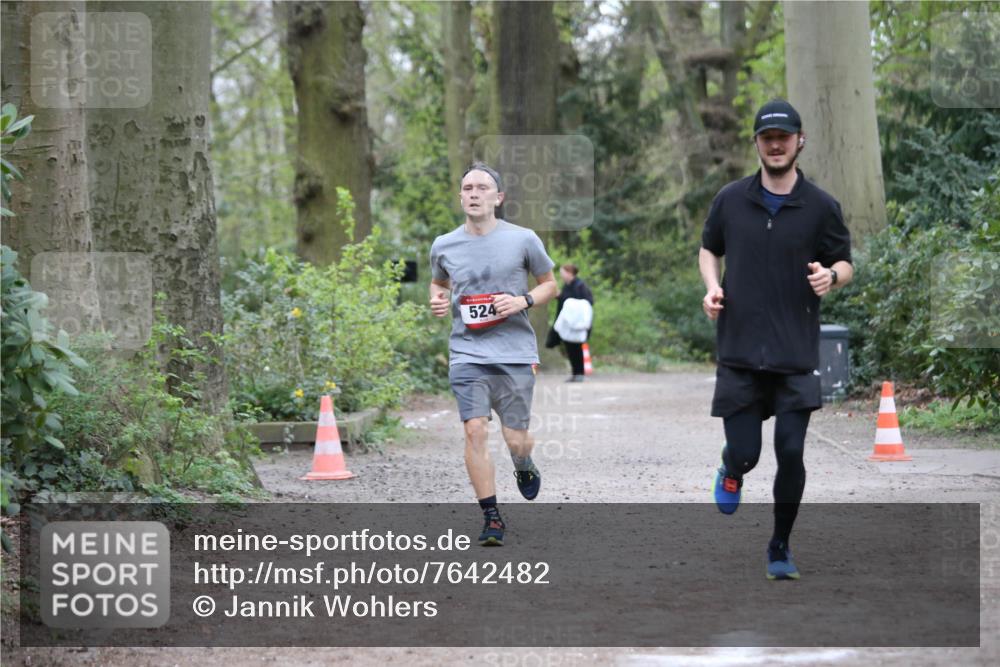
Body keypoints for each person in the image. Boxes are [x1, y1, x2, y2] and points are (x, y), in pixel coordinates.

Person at [699, 99, 854, 580]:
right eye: (767, 138)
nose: (776, 145)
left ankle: (780, 546)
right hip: (740, 351)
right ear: (757, 143)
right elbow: (709, 248)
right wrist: (712, 287)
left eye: (784, 137)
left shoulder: (821, 206)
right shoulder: (730, 199)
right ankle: (731, 468)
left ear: (799, 141)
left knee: (790, 451)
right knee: (747, 453)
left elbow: (845, 262)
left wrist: (832, 276)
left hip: (794, 353)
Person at [429, 162, 558, 546]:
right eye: (467, 188)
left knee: (516, 437)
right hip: (467, 351)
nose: (474, 193)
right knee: (474, 430)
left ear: (498, 198)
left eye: (482, 187)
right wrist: (438, 300)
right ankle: (492, 517)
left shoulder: (523, 239)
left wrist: (522, 300)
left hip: (514, 351)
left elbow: (549, 285)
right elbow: (438, 284)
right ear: (460, 197)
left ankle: (523, 461)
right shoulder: (444, 244)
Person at [553, 264, 594, 382]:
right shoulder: (567, 286)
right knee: (570, 349)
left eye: (563, 272)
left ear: (570, 273)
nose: (561, 275)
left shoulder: (580, 285)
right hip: (568, 323)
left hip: (577, 324)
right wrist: (559, 296)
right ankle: (575, 373)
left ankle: (580, 373)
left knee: (578, 348)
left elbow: (588, 302)